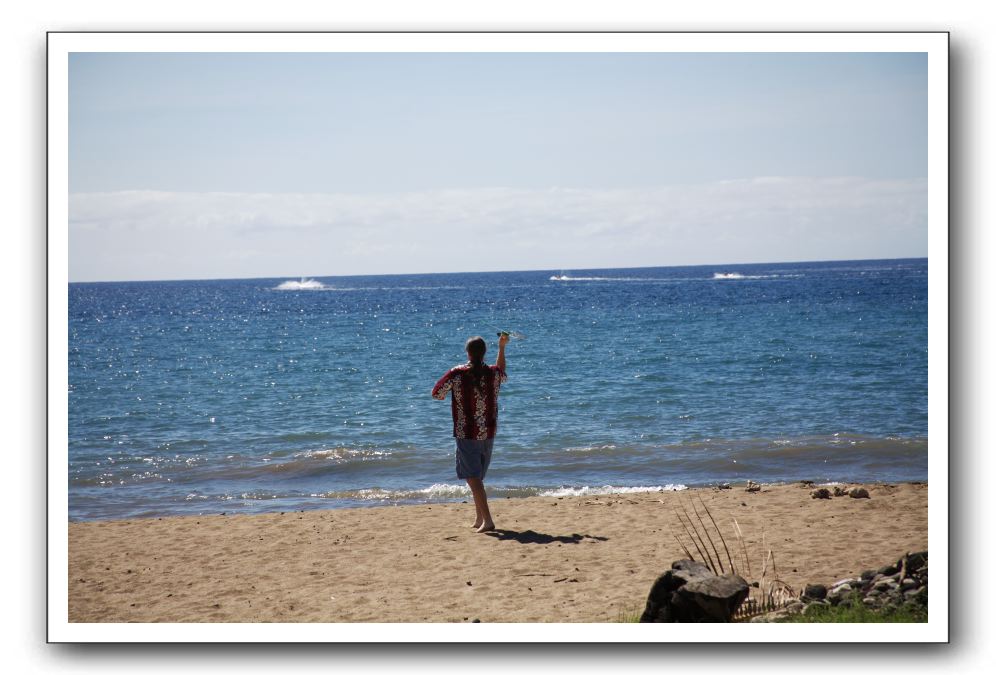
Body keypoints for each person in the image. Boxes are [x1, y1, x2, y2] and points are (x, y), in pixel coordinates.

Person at [431, 333, 509, 532]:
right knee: (476, 477)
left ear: (467, 352)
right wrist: (502, 347)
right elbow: (501, 370)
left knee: (473, 477)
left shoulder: (457, 373)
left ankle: (488, 520)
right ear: (484, 353)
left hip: (467, 431)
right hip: (489, 431)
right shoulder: (492, 373)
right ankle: (479, 517)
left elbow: (437, 394)